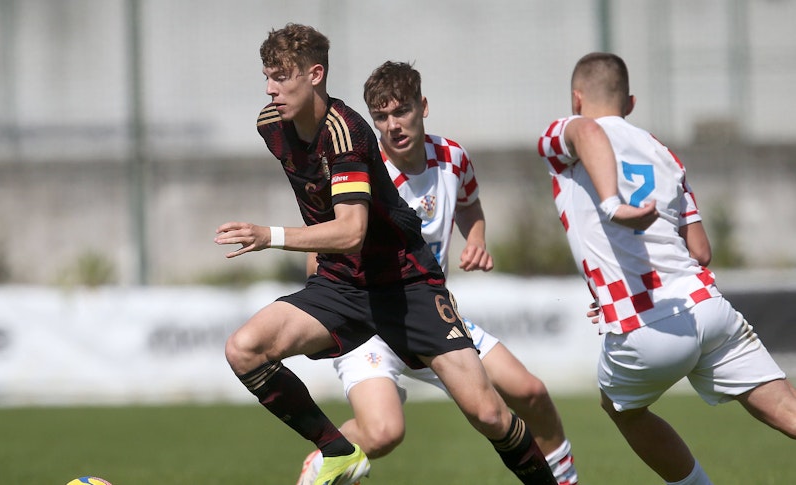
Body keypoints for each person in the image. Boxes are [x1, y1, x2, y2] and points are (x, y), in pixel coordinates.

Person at [215, 23, 558, 485]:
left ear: (315, 75)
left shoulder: (347, 132)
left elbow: (351, 232)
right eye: (267, 77)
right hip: (341, 283)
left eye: (281, 77)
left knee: (490, 415)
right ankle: (337, 451)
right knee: (244, 349)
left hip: (406, 284)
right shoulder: (271, 125)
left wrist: (268, 235)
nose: (270, 89)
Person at [296, 61, 578, 485]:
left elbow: (469, 205)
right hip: (369, 321)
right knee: (384, 432)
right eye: (381, 117)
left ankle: (565, 478)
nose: (393, 125)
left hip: (430, 314)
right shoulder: (360, 170)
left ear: (422, 106)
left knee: (530, 392)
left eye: (402, 111)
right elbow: (322, 243)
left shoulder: (452, 157)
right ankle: (325, 460)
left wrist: (476, 238)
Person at [537, 51, 796, 485]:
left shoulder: (568, 133)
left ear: (576, 99)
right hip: (705, 307)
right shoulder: (663, 152)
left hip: (644, 323)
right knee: (786, 407)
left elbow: (587, 131)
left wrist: (612, 204)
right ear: (630, 103)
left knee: (620, 408)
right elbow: (701, 250)